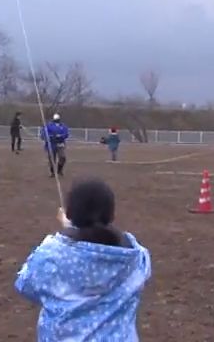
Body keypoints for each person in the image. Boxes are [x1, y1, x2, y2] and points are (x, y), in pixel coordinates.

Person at [15, 177, 152, 341]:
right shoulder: (136, 256)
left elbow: (25, 285)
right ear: (111, 214)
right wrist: (73, 230)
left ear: (71, 212)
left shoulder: (50, 255)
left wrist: (68, 233)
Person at [41, 113, 69, 177]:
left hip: (60, 143)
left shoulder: (63, 126)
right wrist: (50, 137)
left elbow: (66, 134)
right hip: (51, 144)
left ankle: (59, 170)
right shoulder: (49, 126)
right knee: (51, 159)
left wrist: (61, 136)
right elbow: (44, 134)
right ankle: (52, 172)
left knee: (62, 157)